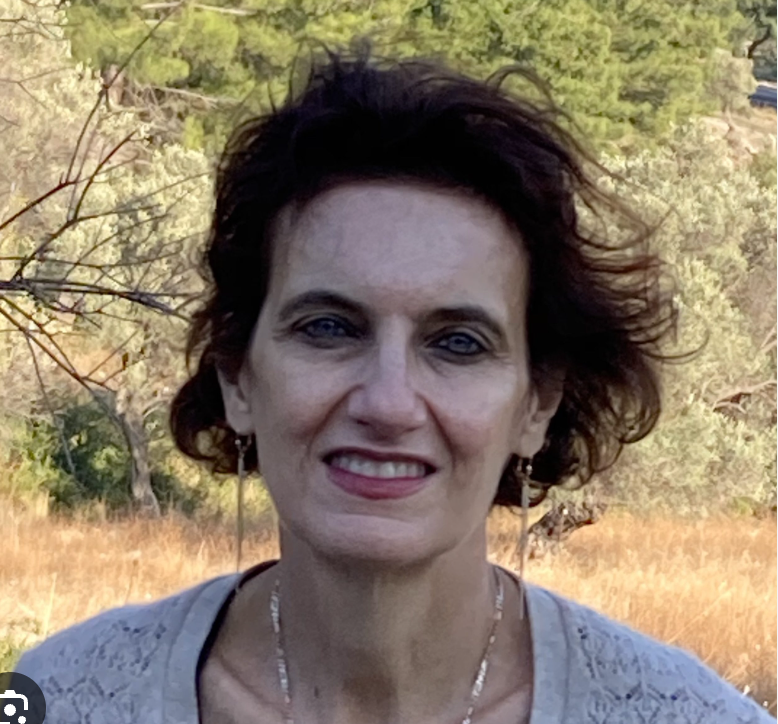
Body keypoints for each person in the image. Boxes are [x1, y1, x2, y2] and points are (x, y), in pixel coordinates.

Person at [15, 46, 773, 724]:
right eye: (329, 328)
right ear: (237, 376)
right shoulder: (60, 696)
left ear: (536, 404)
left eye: (458, 343)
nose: (387, 403)